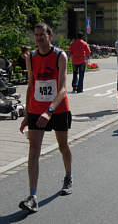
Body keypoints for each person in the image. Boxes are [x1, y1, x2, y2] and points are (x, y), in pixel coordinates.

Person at [19, 23, 72, 213]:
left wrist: (49, 110)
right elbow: (30, 85)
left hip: (57, 109)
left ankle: (68, 175)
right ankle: (33, 196)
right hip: (35, 108)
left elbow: (63, 88)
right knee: (33, 150)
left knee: (62, 146)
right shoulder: (31, 57)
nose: (39, 38)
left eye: (42, 35)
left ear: (50, 35)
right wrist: (26, 115)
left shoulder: (60, 56)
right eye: (36, 35)